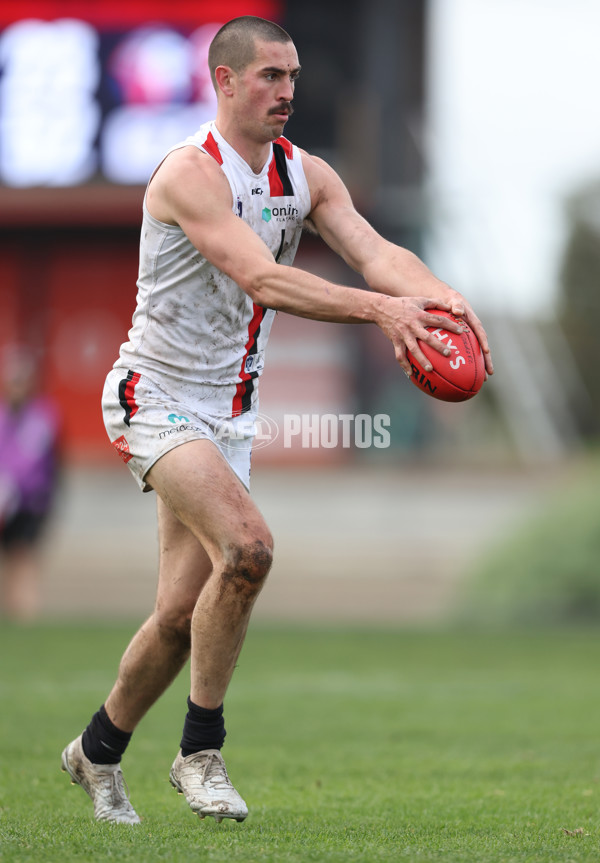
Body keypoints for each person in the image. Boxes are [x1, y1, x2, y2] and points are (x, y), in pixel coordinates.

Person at [61, 15, 493, 825]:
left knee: (179, 618)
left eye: (292, 76)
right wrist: (384, 311)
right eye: (269, 76)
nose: (287, 90)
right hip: (154, 397)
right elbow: (262, 278)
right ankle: (200, 752)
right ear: (224, 82)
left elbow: (374, 251)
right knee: (250, 548)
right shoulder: (191, 174)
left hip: (228, 416)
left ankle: (96, 750)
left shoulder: (308, 175)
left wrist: (437, 299)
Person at [0, 345, 61, 622]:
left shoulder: (44, 416)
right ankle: (13, 608)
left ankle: (27, 611)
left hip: (31, 501)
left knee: (25, 555)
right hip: (3, 502)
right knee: (10, 556)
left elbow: (44, 460)